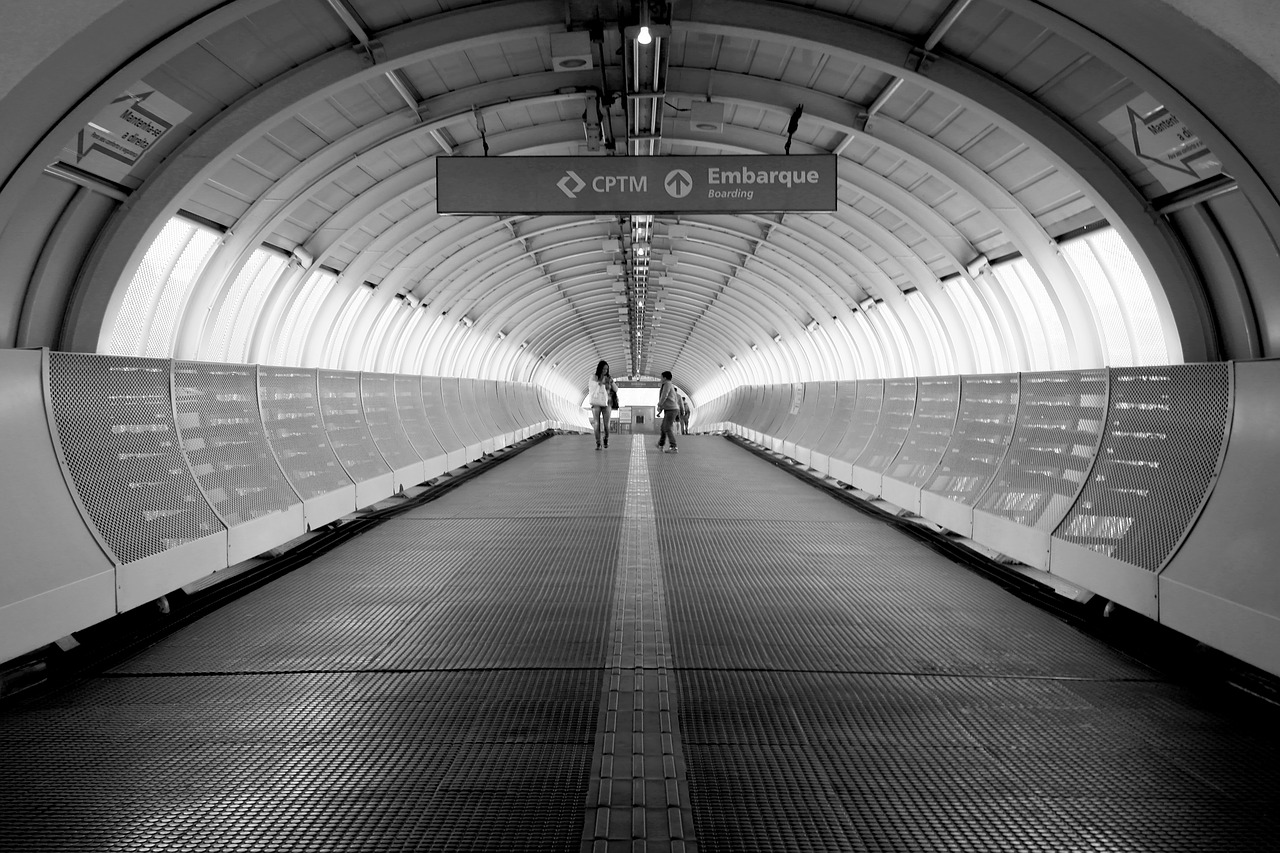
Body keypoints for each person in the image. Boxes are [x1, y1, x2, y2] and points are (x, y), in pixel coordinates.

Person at [589, 360, 618, 450]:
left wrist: (610, 382)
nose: (605, 370)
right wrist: (599, 384)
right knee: (596, 423)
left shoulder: (609, 378)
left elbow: (616, 389)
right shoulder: (594, 377)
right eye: (604, 368)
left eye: (607, 369)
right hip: (596, 402)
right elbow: (590, 387)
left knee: (606, 424)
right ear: (600, 368)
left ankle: (606, 438)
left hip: (607, 403)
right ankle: (598, 443)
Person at [656, 370, 680, 453]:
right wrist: (661, 409)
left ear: (665, 378)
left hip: (671, 409)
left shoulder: (667, 384)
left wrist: (659, 404)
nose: (660, 379)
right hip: (670, 409)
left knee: (667, 427)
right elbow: (668, 399)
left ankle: (674, 447)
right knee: (663, 427)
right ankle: (661, 444)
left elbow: (664, 396)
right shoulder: (669, 385)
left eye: (661, 377)